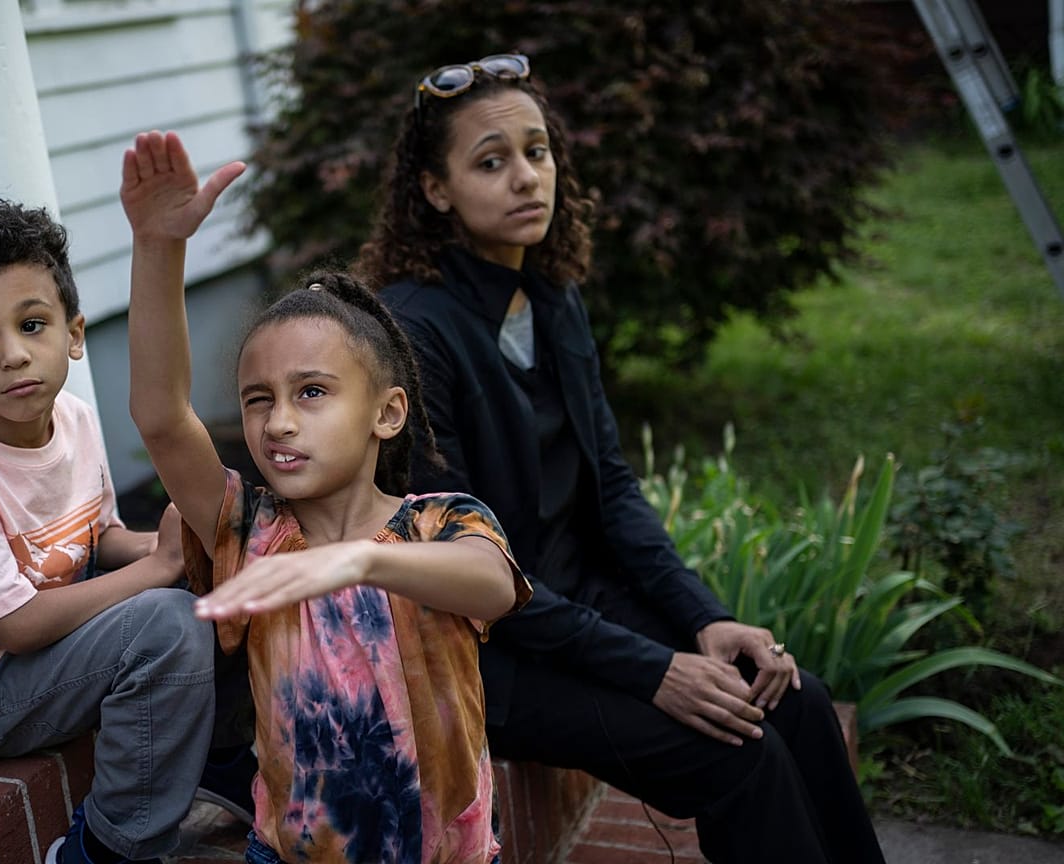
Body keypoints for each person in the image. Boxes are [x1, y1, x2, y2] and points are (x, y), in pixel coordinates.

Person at [359, 54, 887, 864]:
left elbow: (611, 490)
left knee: (798, 701)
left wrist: (705, 619)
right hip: (484, 647)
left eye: (538, 152)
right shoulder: (413, 332)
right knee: (734, 750)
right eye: (491, 161)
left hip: (581, 605)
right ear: (435, 190)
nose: (527, 178)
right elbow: (460, 570)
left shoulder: (551, 298)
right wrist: (654, 670)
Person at [120, 130, 532, 864]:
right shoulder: (246, 530)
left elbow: (493, 586)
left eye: (311, 393)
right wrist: (157, 248)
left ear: (387, 413)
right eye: (257, 399)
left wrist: (359, 563)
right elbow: (159, 415)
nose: (278, 421)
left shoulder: (441, 523)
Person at [0, 197, 216, 864]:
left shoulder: (76, 418)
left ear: (75, 333)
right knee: (169, 625)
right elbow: (20, 627)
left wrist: (174, 547)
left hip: (51, 645)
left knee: (223, 579)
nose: (12, 355)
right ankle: (112, 846)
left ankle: (222, 758)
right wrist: (156, 570)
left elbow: (97, 538)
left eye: (32, 325)